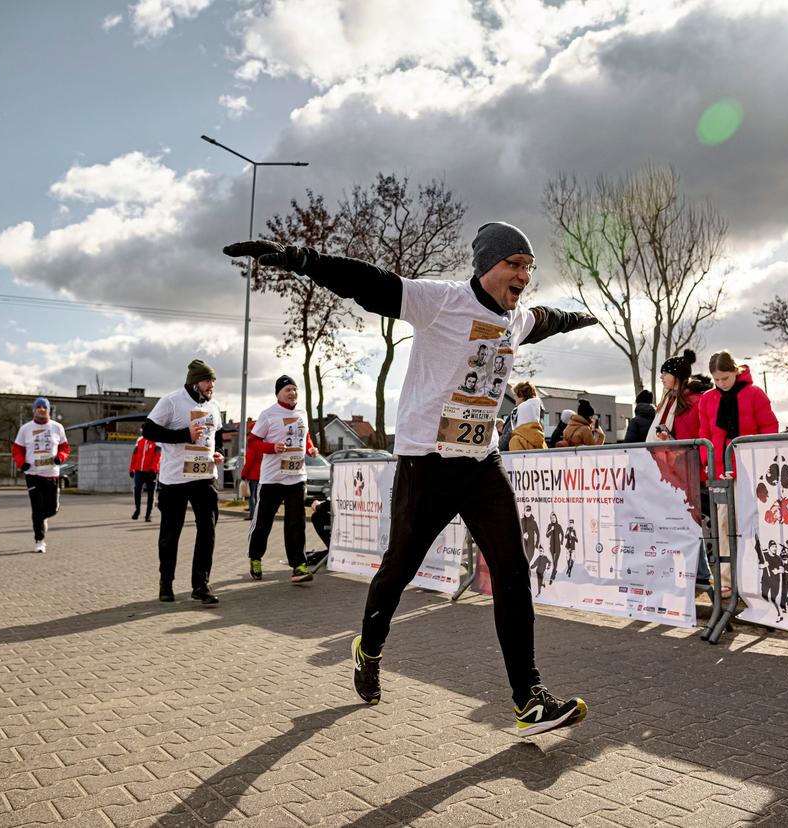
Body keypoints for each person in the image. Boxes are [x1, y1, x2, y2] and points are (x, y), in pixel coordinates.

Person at [224, 220, 595, 736]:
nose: (523, 276)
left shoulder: (517, 320)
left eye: (529, 268)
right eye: (514, 265)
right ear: (487, 266)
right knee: (398, 570)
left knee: (512, 572)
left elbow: (549, 318)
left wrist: (582, 317)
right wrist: (297, 258)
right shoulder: (438, 301)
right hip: (427, 463)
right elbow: (367, 282)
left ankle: (527, 698)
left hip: (482, 464)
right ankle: (368, 648)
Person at [142, 359, 223, 605]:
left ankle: (201, 585)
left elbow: (214, 435)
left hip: (204, 477)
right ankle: (165, 583)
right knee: (170, 533)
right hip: (175, 478)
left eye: (213, 381)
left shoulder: (214, 407)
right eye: (208, 380)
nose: (211, 385)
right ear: (195, 382)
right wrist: (183, 435)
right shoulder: (171, 401)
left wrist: (217, 451)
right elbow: (148, 431)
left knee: (207, 531)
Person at [246, 375, 319, 584]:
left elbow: (303, 436)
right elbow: (253, 441)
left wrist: (310, 448)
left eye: (295, 389)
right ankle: (255, 557)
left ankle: (298, 566)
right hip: (272, 478)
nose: (292, 393)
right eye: (288, 390)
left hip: (296, 476)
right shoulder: (268, 414)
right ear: (278, 393)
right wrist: (272, 448)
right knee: (263, 523)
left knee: (296, 523)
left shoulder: (302, 412)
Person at [698, 352, 779, 479]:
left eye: (725, 378)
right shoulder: (707, 399)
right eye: (716, 380)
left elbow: (769, 428)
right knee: (722, 499)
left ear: (735, 371)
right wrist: (706, 462)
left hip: (752, 468)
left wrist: (765, 458)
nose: (721, 384)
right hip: (719, 470)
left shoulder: (755, 394)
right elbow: (705, 434)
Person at [12, 397, 69, 553]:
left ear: (48, 409)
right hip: (33, 474)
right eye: (38, 407)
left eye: (44, 407)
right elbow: (17, 450)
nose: (41, 409)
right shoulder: (25, 429)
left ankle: (40, 520)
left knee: (52, 509)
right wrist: (21, 463)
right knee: (37, 508)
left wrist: (60, 457)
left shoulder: (57, 427)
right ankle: (40, 540)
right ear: (34, 410)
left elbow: (65, 448)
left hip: (52, 474)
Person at [647, 351, 711, 442]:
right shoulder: (668, 401)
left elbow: (695, 432)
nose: (661, 377)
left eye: (665, 373)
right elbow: (661, 431)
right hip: (671, 452)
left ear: (677, 375)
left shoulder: (695, 400)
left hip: (689, 452)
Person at [128, 435, 161, 522]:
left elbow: (158, 456)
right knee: (137, 489)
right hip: (139, 470)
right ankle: (137, 510)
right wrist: (131, 468)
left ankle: (148, 514)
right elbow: (134, 454)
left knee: (151, 493)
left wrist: (154, 469)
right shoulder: (140, 439)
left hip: (151, 472)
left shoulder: (157, 440)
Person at [507, 381, 546, 451]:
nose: (514, 397)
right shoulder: (541, 439)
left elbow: (517, 461)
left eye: (515, 394)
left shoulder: (516, 440)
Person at [240, 433, 263, 521]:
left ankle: (253, 514)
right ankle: (258, 513)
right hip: (261, 475)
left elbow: (249, 462)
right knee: (258, 496)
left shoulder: (252, 447)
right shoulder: (262, 445)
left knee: (251, 496)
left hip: (253, 475)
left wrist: (243, 474)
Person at [545, 513, 564, 583]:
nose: (553, 519)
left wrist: (561, 542)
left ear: (556, 518)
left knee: (555, 561)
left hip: (558, 546)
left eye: (554, 518)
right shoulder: (549, 526)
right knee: (553, 561)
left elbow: (562, 533)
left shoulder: (558, 526)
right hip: (551, 546)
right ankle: (555, 570)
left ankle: (552, 576)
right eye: (552, 518)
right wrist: (551, 530)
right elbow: (547, 535)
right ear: (551, 519)